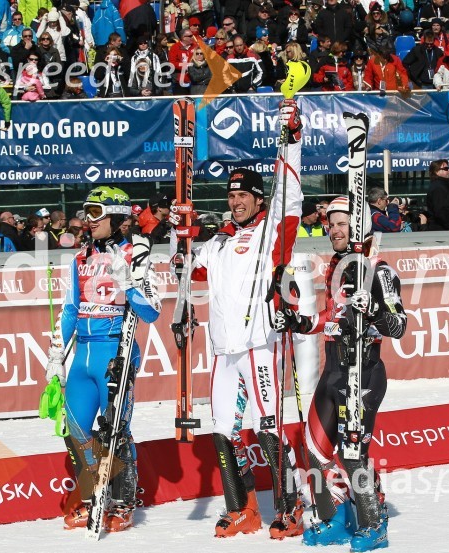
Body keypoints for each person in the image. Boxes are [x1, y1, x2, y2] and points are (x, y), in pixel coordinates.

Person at [189, 100, 304, 539]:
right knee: (222, 429)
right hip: (223, 349)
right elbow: (190, 277)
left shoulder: (270, 232)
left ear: (258, 199)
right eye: (231, 196)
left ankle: (290, 505)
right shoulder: (216, 244)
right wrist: (180, 240)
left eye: (244, 196)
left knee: (267, 424)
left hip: (259, 343)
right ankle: (242, 508)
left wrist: (290, 139)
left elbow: (290, 195)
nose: (236, 202)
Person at [275, 195, 407, 551]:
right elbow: (331, 318)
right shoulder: (337, 266)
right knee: (315, 451)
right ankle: (333, 519)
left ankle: (373, 524)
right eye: (330, 224)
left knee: (351, 455)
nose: (332, 230)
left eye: (341, 224)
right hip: (333, 373)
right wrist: (300, 321)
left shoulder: (379, 270)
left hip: (362, 374)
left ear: (359, 227)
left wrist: (375, 309)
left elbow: (398, 325)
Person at [44, 186, 160, 532]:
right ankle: (95, 495)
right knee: (76, 431)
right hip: (83, 357)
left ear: (117, 217)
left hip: (115, 353)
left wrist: (128, 282)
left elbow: (152, 311)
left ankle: (124, 502)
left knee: (116, 431)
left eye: (96, 213)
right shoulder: (80, 258)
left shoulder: (135, 254)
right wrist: (56, 356)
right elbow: (69, 310)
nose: (88, 220)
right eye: (86, 212)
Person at [426, 160, 449, 230]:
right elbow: (441, 211)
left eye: (448, 168)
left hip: (445, 228)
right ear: (436, 171)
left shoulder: (446, 185)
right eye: (445, 169)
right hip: (443, 229)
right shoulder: (438, 188)